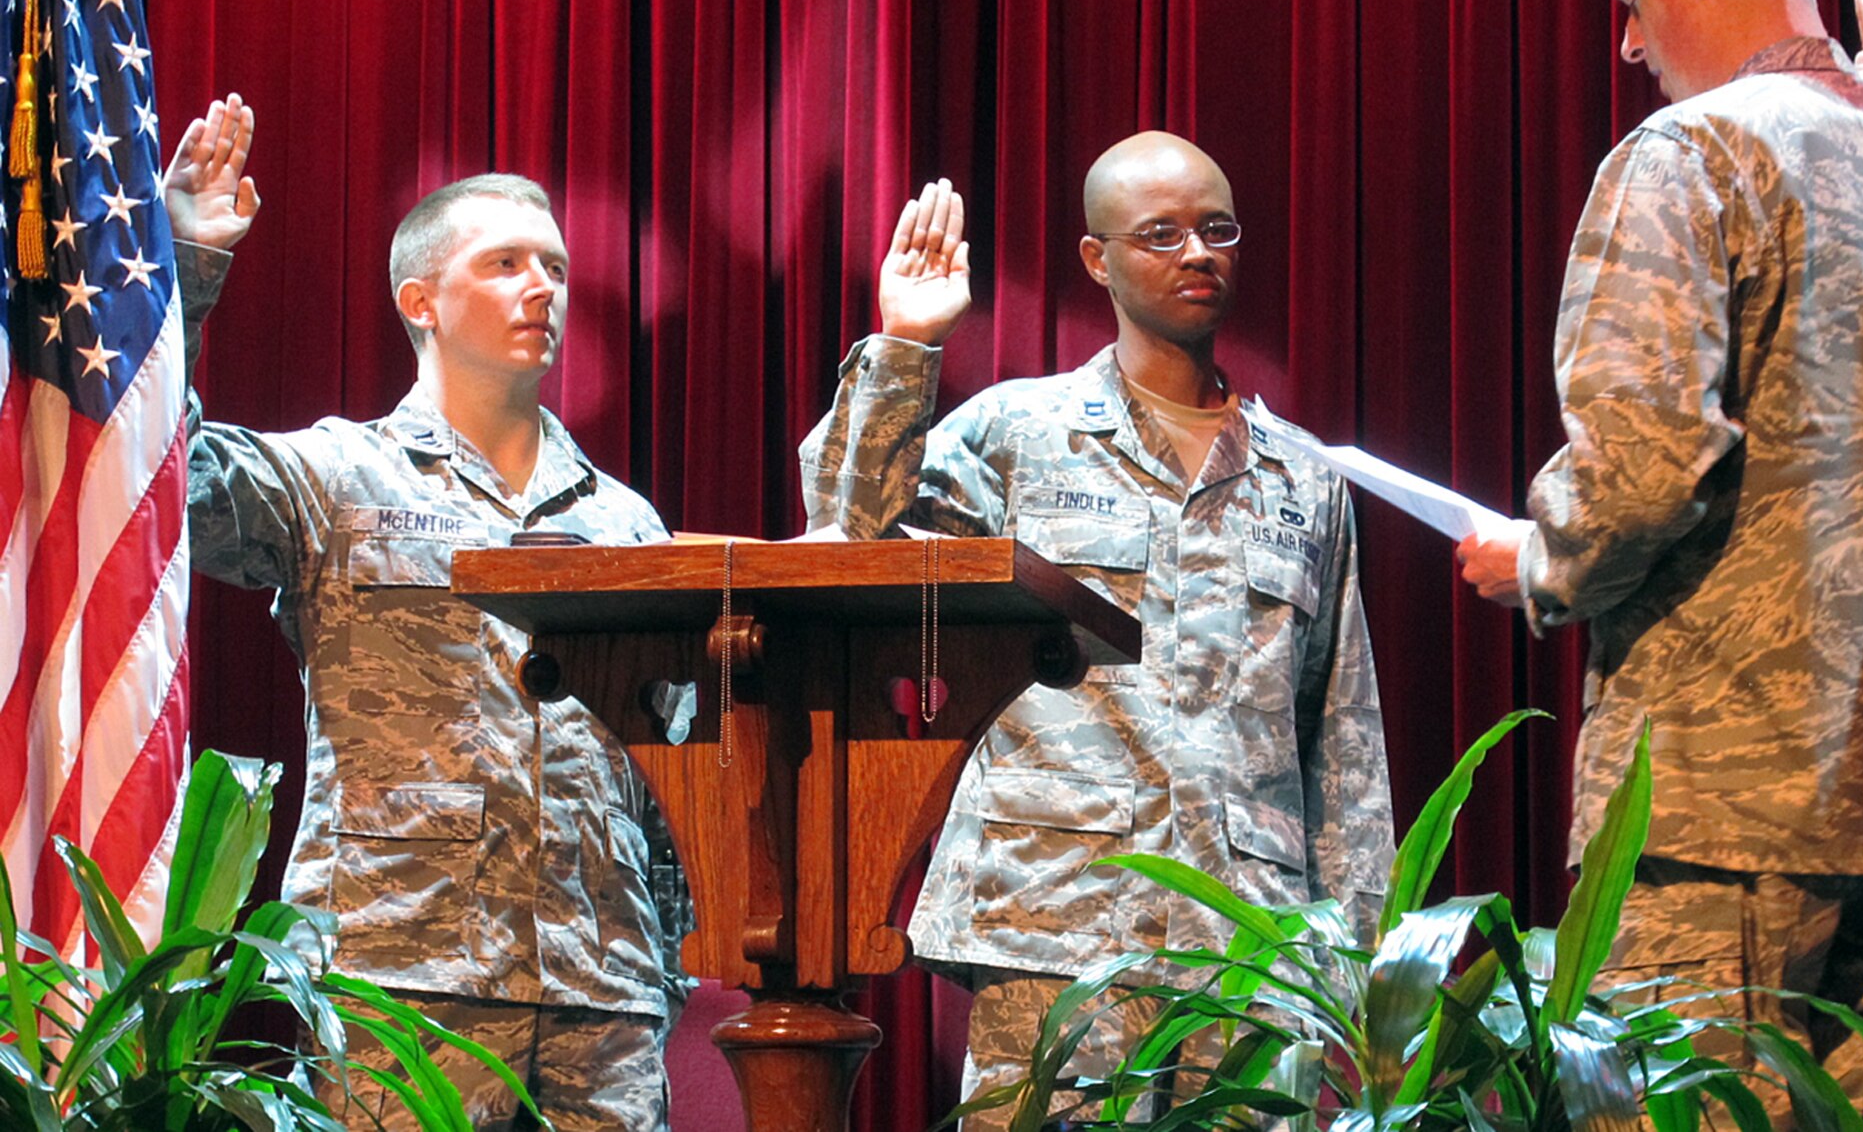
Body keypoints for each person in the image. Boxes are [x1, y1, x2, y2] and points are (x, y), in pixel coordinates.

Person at [1455, 0, 1863, 1128]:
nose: (1629, 45)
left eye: (1632, 2)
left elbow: (1640, 473)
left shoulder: (1687, 155)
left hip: (1720, 813)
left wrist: (1531, 559)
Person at [799, 134, 1394, 1124]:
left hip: (1248, 940)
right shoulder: (1017, 433)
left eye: (1217, 229)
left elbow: (1341, 738)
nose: (1196, 252)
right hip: (1056, 921)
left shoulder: (1303, 478)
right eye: (1159, 234)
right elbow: (843, 530)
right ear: (1096, 259)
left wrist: (1352, 963)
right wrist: (906, 344)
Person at [169, 97, 690, 1130]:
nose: (540, 286)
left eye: (552, 267)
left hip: (603, 991)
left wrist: (658, 964)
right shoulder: (336, 475)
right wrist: (182, 268)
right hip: (403, 981)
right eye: (503, 264)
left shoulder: (626, 521)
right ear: (421, 299)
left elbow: (663, 767)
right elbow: (154, 484)